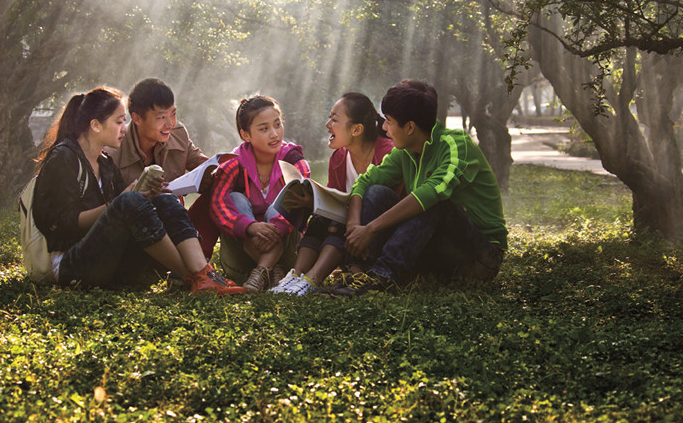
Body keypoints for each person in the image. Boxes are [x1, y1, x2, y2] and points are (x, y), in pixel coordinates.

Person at [31, 87, 244, 294]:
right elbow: (60, 223)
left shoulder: (104, 163)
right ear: (96, 125)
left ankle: (203, 273)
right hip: (73, 265)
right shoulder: (64, 158)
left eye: (124, 121)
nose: (125, 127)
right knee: (129, 201)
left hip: (112, 260)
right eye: (119, 121)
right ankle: (191, 276)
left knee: (163, 198)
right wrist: (119, 202)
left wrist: (146, 194)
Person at [341, 80, 508, 296]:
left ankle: (383, 275)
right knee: (376, 192)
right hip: (437, 251)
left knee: (431, 201)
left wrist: (371, 229)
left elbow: (430, 194)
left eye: (389, 121)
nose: (383, 127)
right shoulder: (406, 151)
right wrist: (355, 226)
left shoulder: (456, 145)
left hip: (480, 257)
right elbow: (364, 182)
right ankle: (358, 272)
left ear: (410, 127)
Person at [270, 92, 396, 295]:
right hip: (349, 228)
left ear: (356, 129)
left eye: (334, 119)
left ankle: (312, 279)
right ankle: (295, 275)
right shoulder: (338, 158)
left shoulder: (387, 153)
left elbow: (389, 202)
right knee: (322, 218)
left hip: (376, 233)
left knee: (338, 224)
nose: (328, 124)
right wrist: (312, 201)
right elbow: (334, 200)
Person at [210, 95, 309, 293]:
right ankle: (273, 272)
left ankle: (263, 270)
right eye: (264, 129)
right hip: (241, 255)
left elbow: (300, 202)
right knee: (235, 199)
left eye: (278, 124)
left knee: (278, 206)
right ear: (246, 135)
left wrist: (274, 228)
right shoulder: (233, 163)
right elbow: (217, 204)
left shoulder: (294, 162)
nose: (275, 134)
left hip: (288, 250)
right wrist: (250, 228)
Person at [111, 78, 209, 186]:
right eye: (162, 117)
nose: (170, 124)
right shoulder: (113, 151)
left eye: (173, 114)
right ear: (137, 119)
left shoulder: (178, 134)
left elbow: (204, 167)